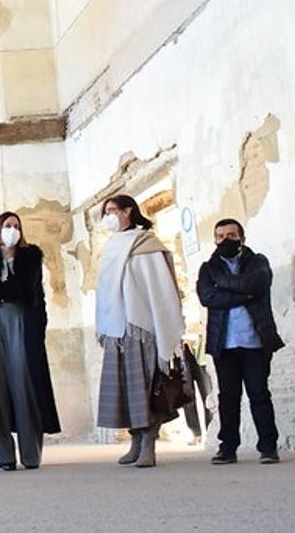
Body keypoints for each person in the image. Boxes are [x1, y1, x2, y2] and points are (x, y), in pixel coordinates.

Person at [94, 195, 185, 468]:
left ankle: (149, 443)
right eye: (105, 212)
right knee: (123, 389)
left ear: (127, 211)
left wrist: (163, 328)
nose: (108, 216)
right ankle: (135, 440)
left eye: (112, 211)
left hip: (141, 325)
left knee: (144, 388)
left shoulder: (145, 244)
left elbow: (159, 288)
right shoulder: (111, 246)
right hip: (116, 329)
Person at [0, 212, 61, 470]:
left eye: (16, 226)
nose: (12, 230)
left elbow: (38, 297)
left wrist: (40, 328)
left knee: (24, 384)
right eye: (8, 226)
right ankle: (2, 454)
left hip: (22, 323)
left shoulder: (30, 257)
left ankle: (31, 453)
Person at [197, 218, 285, 465]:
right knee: (228, 397)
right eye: (220, 236)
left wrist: (226, 287)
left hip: (255, 340)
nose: (226, 240)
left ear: (242, 238)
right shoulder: (208, 268)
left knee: (259, 394)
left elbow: (256, 283)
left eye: (231, 235)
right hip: (224, 343)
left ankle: (268, 447)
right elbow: (207, 297)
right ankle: (228, 448)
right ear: (215, 240)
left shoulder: (258, 262)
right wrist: (243, 294)